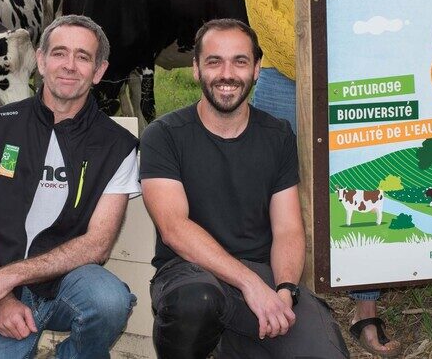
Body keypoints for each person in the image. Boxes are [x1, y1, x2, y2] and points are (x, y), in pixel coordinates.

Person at [242, 0, 397, 357]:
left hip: (358, 78)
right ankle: (296, 304)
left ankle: (367, 305)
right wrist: (309, 62)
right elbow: (261, 12)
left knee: (362, 181)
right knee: (283, 190)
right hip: (285, 80)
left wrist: (350, 60)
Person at [140, 19, 350, 359]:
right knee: (197, 304)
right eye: (214, 61)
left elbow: (288, 230)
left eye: (239, 61)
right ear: (195, 69)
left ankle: (234, 343)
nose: (227, 74)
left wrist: (283, 290)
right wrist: (250, 285)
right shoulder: (164, 135)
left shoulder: (278, 135)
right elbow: (173, 229)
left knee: (327, 353)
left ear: (256, 69)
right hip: (189, 272)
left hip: (261, 271)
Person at [0, 14, 140, 358]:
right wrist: (1, 297)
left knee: (109, 300)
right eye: (59, 53)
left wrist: (8, 278)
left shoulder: (117, 145)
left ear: (99, 71)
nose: (69, 65)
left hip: (64, 284)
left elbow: (98, 244)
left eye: (83, 57)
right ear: (40, 61)